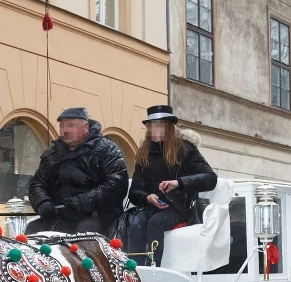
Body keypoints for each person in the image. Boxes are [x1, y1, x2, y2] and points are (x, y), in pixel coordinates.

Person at [125, 105, 217, 264]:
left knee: (155, 223)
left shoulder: (186, 149)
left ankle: (154, 268)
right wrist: (147, 197)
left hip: (179, 207)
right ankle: (136, 271)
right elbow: (134, 192)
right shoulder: (144, 153)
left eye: (158, 126)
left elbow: (210, 178)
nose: (153, 130)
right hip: (151, 207)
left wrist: (178, 183)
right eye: (151, 126)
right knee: (137, 223)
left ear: (168, 128)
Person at [26, 107, 128, 235]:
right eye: (62, 126)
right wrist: (43, 201)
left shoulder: (107, 150)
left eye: (71, 126)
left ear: (85, 127)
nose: (66, 130)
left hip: (99, 215)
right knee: (33, 229)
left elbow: (116, 185)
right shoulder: (52, 154)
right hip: (61, 214)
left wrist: (84, 201)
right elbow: (37, 183)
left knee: (84, 231)